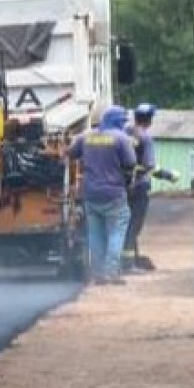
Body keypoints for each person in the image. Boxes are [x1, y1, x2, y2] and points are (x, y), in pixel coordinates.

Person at [68, 105, 139, 284]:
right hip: (114, 193)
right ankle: (111, 273)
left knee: (95, 234)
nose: (124, 125)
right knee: (116, 232)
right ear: (117, 121)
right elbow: (130, 163)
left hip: (90, 194)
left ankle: (97, 274)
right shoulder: (121, 138)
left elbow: (71, 153)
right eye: (122, 121)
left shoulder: (85, 137)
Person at [122, 102, 178, 271]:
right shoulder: (145, 138)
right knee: (134, 225)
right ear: (149, 120)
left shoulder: (125, 134)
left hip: (123, 186)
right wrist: (169, 175)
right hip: (139, 187)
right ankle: (128, 264)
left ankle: (132, 258)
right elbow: (149, 166)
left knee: (126, 224)